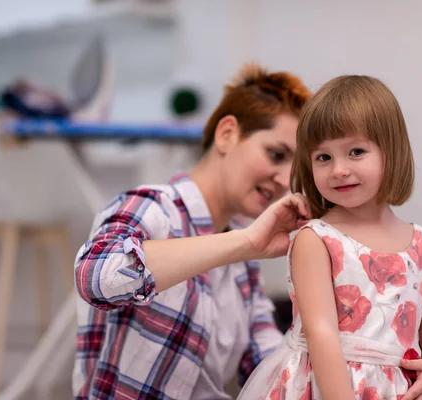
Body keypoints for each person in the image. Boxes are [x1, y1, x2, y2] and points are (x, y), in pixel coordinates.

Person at [72, 64, 313, 399]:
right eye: (276, 154)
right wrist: (244, 242)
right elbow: (94, 274)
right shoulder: (153, 209)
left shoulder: (244, 265)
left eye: (296, 170)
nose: (285, 180)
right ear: (227, 133)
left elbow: (269, 369)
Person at [237, 75, 422, 400]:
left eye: (355, 151)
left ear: (391, 153)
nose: (338, 169)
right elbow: (321, 333)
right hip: (326, 386)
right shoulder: (318, 239)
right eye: (323, 157)